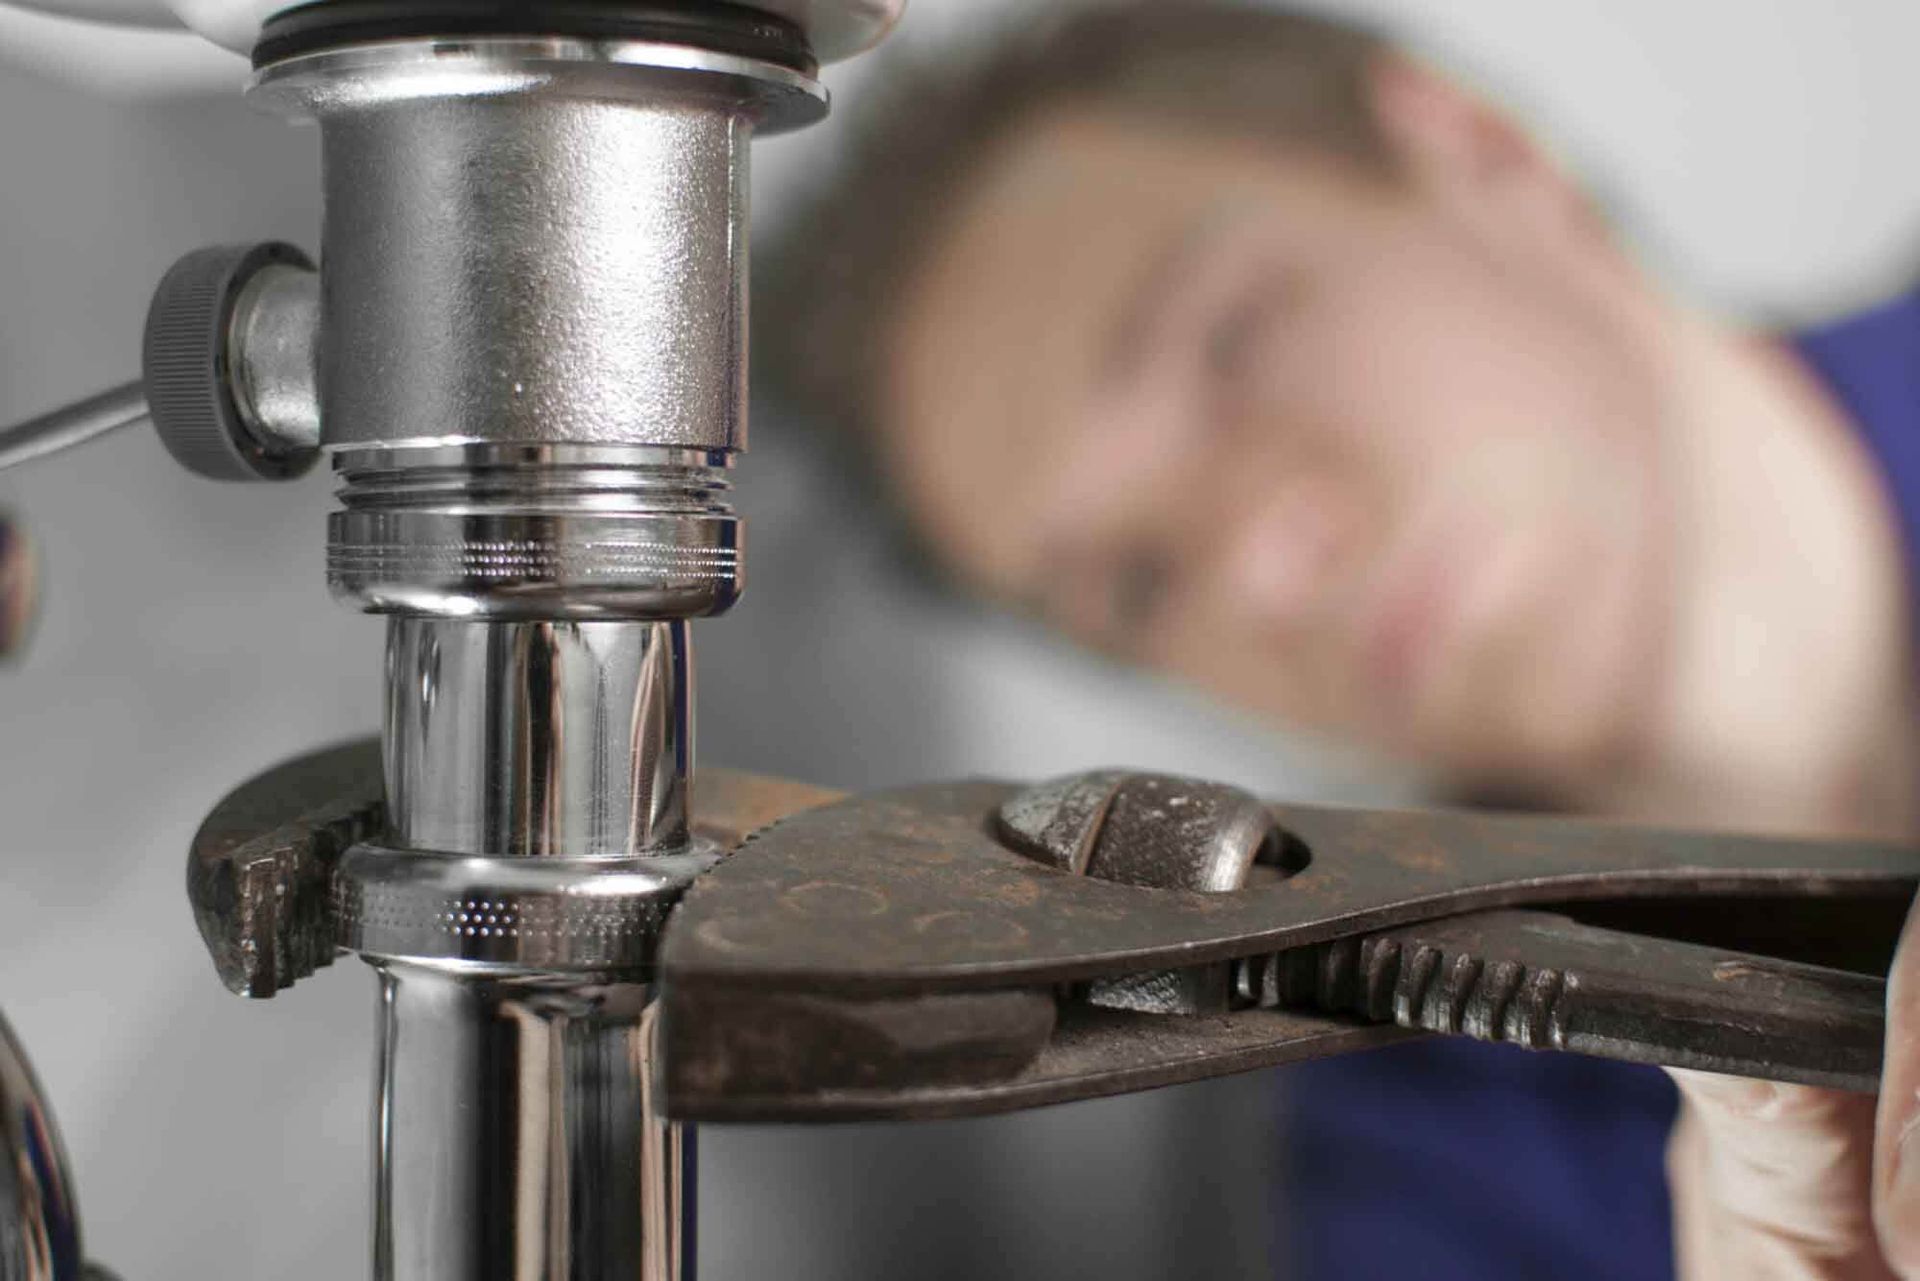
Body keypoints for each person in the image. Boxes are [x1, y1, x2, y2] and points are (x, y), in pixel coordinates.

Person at [756, 2, 1920, 1277]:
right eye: (1139, 583)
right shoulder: (1416, 1160)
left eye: (1233, 341)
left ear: (1481, 151)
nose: (1260, 568)